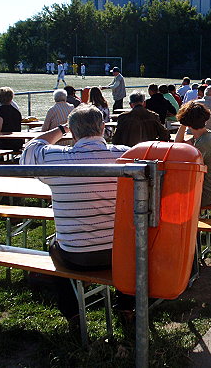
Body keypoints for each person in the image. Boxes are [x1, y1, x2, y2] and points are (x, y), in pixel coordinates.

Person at [20, 105, 133, 324]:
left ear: (72, 131)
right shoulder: (126, 155)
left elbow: (30, 148)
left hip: (75, 255)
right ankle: (126, 307)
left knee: (55, 246)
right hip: (119, 253)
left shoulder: (54, 159)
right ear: (102, 127)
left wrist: (60, 129)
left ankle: (72, 313)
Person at [174, 102, 211, 209]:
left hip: (205, 192)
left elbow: (187, 166)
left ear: (189, 124)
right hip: (205, 187)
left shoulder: (203, 143)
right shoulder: (204, 135)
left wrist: (184, 121)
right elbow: (178, 144)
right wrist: (184, 122)